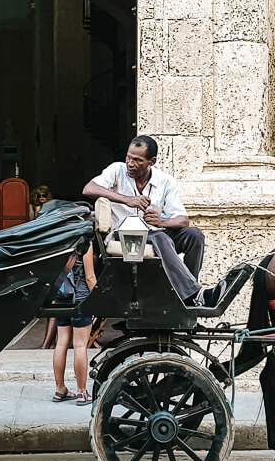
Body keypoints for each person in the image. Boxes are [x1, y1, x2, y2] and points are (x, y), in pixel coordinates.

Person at [82, 135, 214, 306]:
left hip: (155, 232)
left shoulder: (165, 181)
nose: (130, 163)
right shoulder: (117, 170)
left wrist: (162, 222)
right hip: (122, 236)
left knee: (194, 235)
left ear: (151, 161)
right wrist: (126, 199)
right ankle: (196, 294)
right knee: (160, 237)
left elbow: (183, 220)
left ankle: (188, 296)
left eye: (137, 160)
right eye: (128, 157)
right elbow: (89, 189)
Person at [52, 246, 97, 405]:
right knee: (80, 345)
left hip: (62, 297)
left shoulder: (61, 239)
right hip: (80, 298)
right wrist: (98, 301)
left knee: (61, 342)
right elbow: (90, 277)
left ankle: (60, 389)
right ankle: (82, 392)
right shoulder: (85, 243)